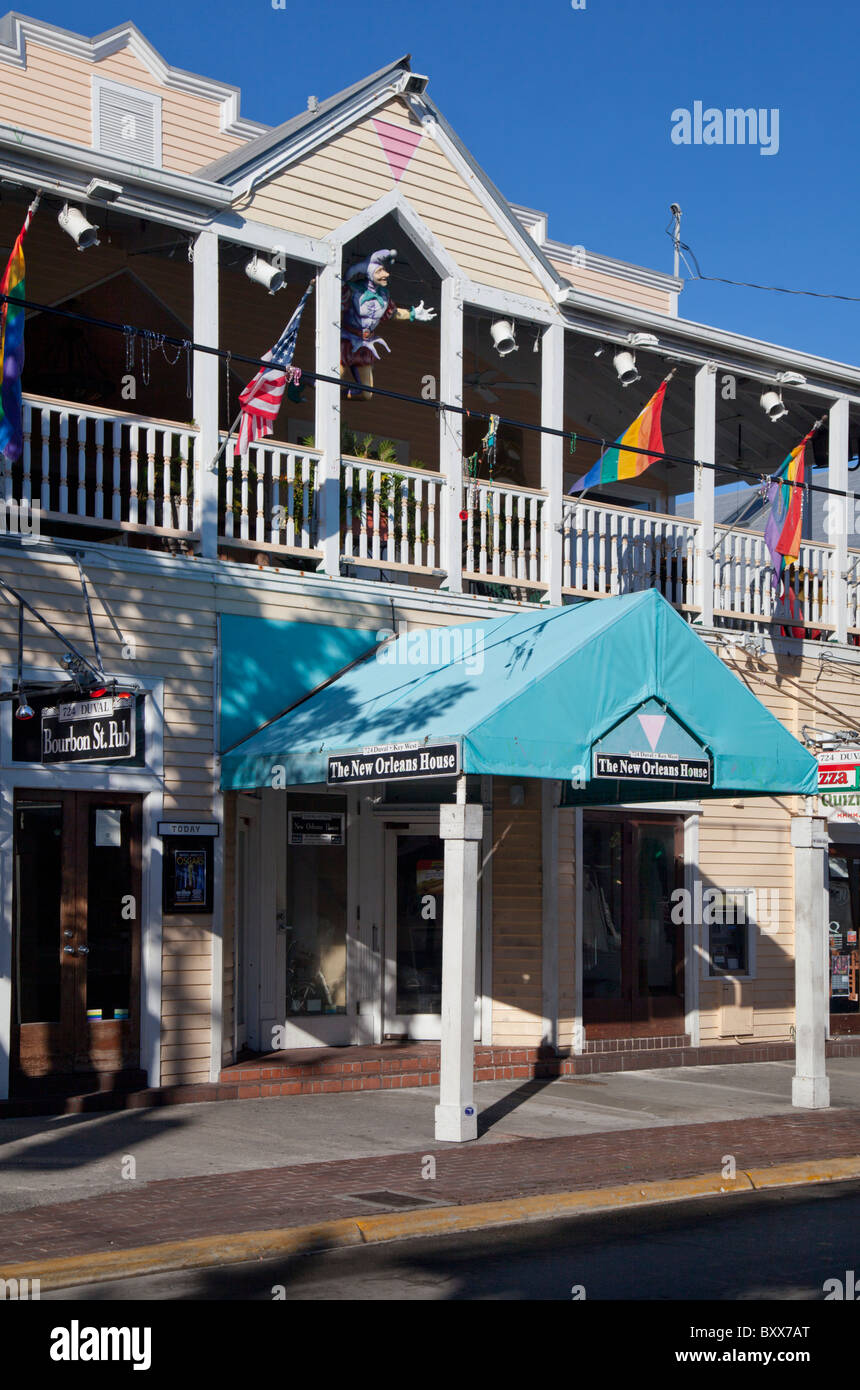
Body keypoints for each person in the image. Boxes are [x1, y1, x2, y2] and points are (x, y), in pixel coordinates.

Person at [340, 248, 435, 400]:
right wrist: (346, 276)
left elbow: (392, 313)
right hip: (346, 341)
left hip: (364, 345)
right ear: (369, 274)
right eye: (379, 271)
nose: (386, 275)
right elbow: (336, 300)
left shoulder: (383, 296)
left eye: (384, 270)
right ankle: (303, 382)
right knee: (330, 382)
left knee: (366, 394)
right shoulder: (353, 290)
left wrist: (413, 314)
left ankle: (336, 397)